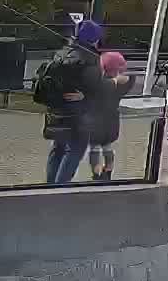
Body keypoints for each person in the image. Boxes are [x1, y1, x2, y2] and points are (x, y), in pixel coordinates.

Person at [34, 19, 103, 184]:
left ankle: (50, 185)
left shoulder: (62, 53)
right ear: (94, 38)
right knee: (75, 150)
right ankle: (60, 187)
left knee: (58, 148)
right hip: (78, 114)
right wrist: (86, 97)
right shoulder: (90, 58)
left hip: (57, 110)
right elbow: (94, 88)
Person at [83, 51, 133, 181]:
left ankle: (96, 173)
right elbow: (130, 79)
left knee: (93, 147)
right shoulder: (123, 83)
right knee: (107, 146)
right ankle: (108, 171)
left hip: (94, 120)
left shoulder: (100, 83)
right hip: (112, 121)